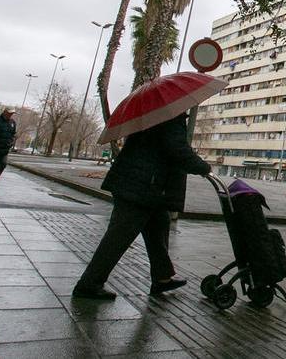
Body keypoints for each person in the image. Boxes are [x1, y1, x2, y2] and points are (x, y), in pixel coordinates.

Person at [73, 113, 211, 300]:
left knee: (159, 225)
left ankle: (162, 278)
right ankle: (89, 284)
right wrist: (203, 167)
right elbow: (177, 148)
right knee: (118, 236)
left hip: (143, 184)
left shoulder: (153, 112)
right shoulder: (170, 116)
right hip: (141, 187)